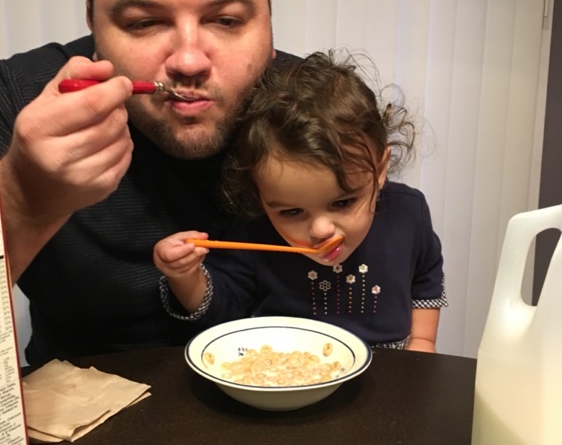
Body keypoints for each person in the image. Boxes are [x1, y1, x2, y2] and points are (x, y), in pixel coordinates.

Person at [0, 0, 299, 367]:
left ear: (268, 17)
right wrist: (26, 197)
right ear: (92, 22)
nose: (190, 61)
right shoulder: (23, 99)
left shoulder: (312, 106)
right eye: (144, 23)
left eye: (226, 20)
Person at [153, 52, 447, 352]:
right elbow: (222, 309)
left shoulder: (409, 212)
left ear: (381, 169)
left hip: (390, 368)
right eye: (292, 211)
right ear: (260, 194)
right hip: (286, 370)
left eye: (343, 203)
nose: (320, 230)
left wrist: (423, 341)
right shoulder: (254, 227)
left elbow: (425, 275)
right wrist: (185, 277)